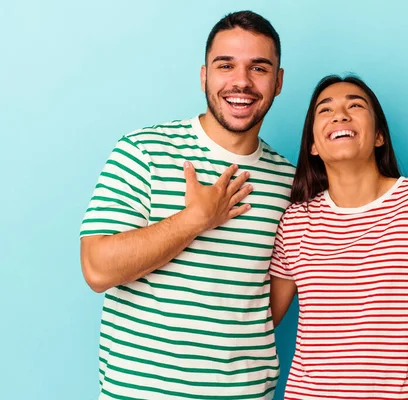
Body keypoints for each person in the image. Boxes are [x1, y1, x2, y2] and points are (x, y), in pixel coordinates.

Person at [80, 11, 294, 400]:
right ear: (204, 76)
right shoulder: (143, 150)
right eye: (225, 65)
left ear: (278, 82)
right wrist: (194, 219)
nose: (241, 81)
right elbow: (96, 269)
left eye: (258, 68)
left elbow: (267, 307)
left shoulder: (289, 183)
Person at [269, 75, 408, 399]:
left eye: (355, 105)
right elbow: (264, 314)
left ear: (379, 135)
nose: (340, 115)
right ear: (312, 145)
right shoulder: (296, 221)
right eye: (325, 110)